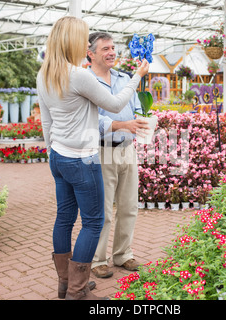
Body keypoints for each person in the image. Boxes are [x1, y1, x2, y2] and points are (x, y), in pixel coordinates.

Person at [37, 17, 149, 300]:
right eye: (83, 38)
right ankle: (76, 290)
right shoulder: (79, 75)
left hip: (59, 156)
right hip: (84, 159)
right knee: (93, 222)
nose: (85, 43)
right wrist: (137, 76)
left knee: (64, 219)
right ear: (73, 41)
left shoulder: (45, 74)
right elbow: (114, 104)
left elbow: (47, 123)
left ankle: (65, 284)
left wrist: (54, 151)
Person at [86, 32, 150, 279]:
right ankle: (97, 259)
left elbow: (133, 107)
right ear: (90, 54)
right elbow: (91, 119)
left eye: (113, 47)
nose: (112, 52)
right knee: (102, 210)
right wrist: (124, 125)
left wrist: (141, 121)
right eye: (105, 48)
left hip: (127, 150)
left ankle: (123, 254)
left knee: (129, 206)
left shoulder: (125, 78)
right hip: (102, 151)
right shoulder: (86, 81)